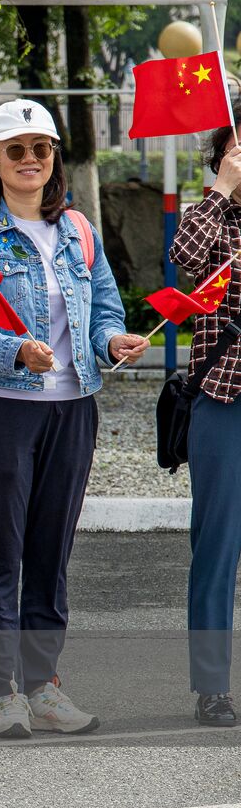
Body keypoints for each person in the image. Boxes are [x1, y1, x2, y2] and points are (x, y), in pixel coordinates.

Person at [0, 100, 146, 739]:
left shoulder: (79, 231)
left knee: (51, 551)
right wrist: (14, 351)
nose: (31, 160)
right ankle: (5, 693)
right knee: (0, 550)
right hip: (0, 412)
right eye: (16, 149)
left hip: (73, 408)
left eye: (42, 149)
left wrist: (112, 341)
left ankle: (44, 684)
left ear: (54, 158)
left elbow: (106, 307)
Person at [167, 109, 241, 726]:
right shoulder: (210, 216)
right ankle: (212, 686)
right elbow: (183, 258)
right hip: (224, 396)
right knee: (216, 543)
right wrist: (220, 189)